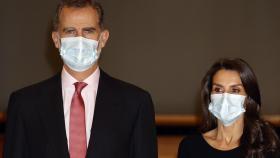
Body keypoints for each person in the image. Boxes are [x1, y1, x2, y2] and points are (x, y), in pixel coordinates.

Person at [4, 0, 157, 158]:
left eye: (88, 31)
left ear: (103, 38)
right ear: (56, 39)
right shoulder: (24, 104)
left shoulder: (135, 103)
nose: (79, 39)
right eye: (70, 31)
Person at [178, 58, 280, 158]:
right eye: (218, 89)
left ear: (248, 98)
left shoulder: (267, 147)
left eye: (234, 90)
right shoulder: (190, 146)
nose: (225, 97)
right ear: (209, 96)